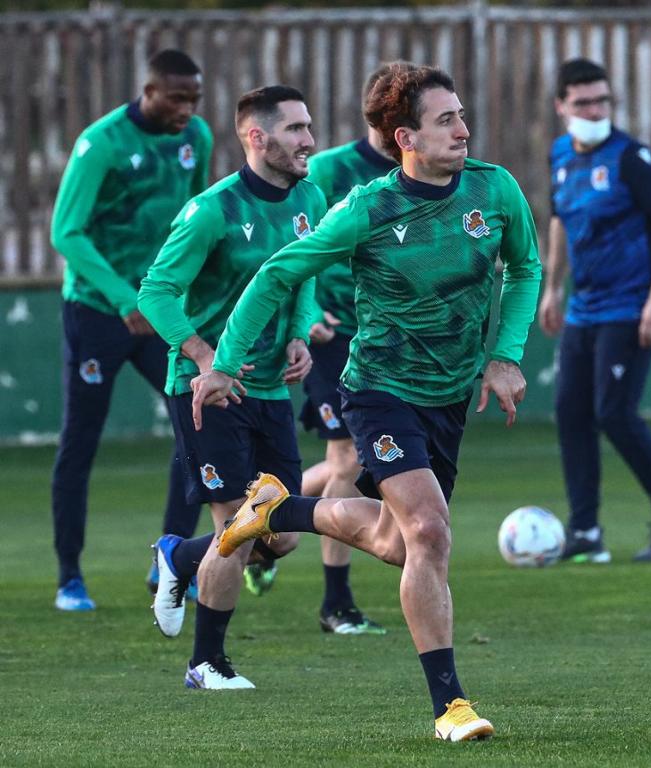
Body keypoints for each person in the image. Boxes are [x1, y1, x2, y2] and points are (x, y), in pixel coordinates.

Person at [192, 65, 541, 740]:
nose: (463, 130)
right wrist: (224, 363)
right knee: (431, 534)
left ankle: (278, 508)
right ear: (404, 136)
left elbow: (525, 267)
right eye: (446, 121)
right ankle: (451, 706)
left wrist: (505, 355)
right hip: (380, 390)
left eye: (462, 115)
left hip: (447, 398)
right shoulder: (367, 208)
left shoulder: (495, 189)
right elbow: (278, 272)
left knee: (397, 541)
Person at [138, 85, 324, 689]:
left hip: (270, 387)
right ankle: (206, 663)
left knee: (284, 534)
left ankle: (178, 555)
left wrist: (299, 334)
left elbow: (304, 276)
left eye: (309, 126)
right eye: (295, 129)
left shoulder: (312, 196)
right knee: (238, 528)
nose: (309, 140)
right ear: (256, 137)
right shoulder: (212, 210)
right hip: (207, 392)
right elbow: (155, 292)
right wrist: (202, 354)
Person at [48, 49, 211, 611]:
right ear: (149, 91)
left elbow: (194, 217)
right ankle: (70, 577)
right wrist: (123, 298)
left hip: (158, 310)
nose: (186, 108)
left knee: (195, 422)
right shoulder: (102, 144)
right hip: (97, 310)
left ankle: (171, 560)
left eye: (194, 98)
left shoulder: (198, 138)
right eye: (176, 98)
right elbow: (65, 233)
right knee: (80, 442)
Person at [249, 62, 404, 635]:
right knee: (346, 461)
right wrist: (308, 316)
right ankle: (336, 603)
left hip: (389, 340)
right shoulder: (330, 172)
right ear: (383, 120)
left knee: (350, 462)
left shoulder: (432, 176)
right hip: (333, 337)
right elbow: (292, 248)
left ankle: (259, 522)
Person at [538, 58, 651, 564]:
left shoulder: (631, 157)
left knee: (614, 412)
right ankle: (586, 533)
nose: (595, 110)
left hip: (630, 307)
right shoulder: (561, 155)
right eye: (584, 102)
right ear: (561, 107)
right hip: (583, 309)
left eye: (603, 101)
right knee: (571, 412)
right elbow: (559, 220)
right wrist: (553, 287)